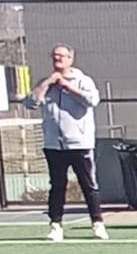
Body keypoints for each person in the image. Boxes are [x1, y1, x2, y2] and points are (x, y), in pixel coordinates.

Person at [32, 45, 107, 241]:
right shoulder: (46, 83)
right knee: (57, 186)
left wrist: (68, 86)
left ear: (70, 59)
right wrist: (47, 83)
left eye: (62, 56)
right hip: (53, 145)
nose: (58, 60)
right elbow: (31, 102)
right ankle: (55, 225)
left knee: (89, 185)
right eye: (54, 56)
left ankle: (97, 223)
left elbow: (92, 100)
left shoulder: (83, 81)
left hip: (80, 144)